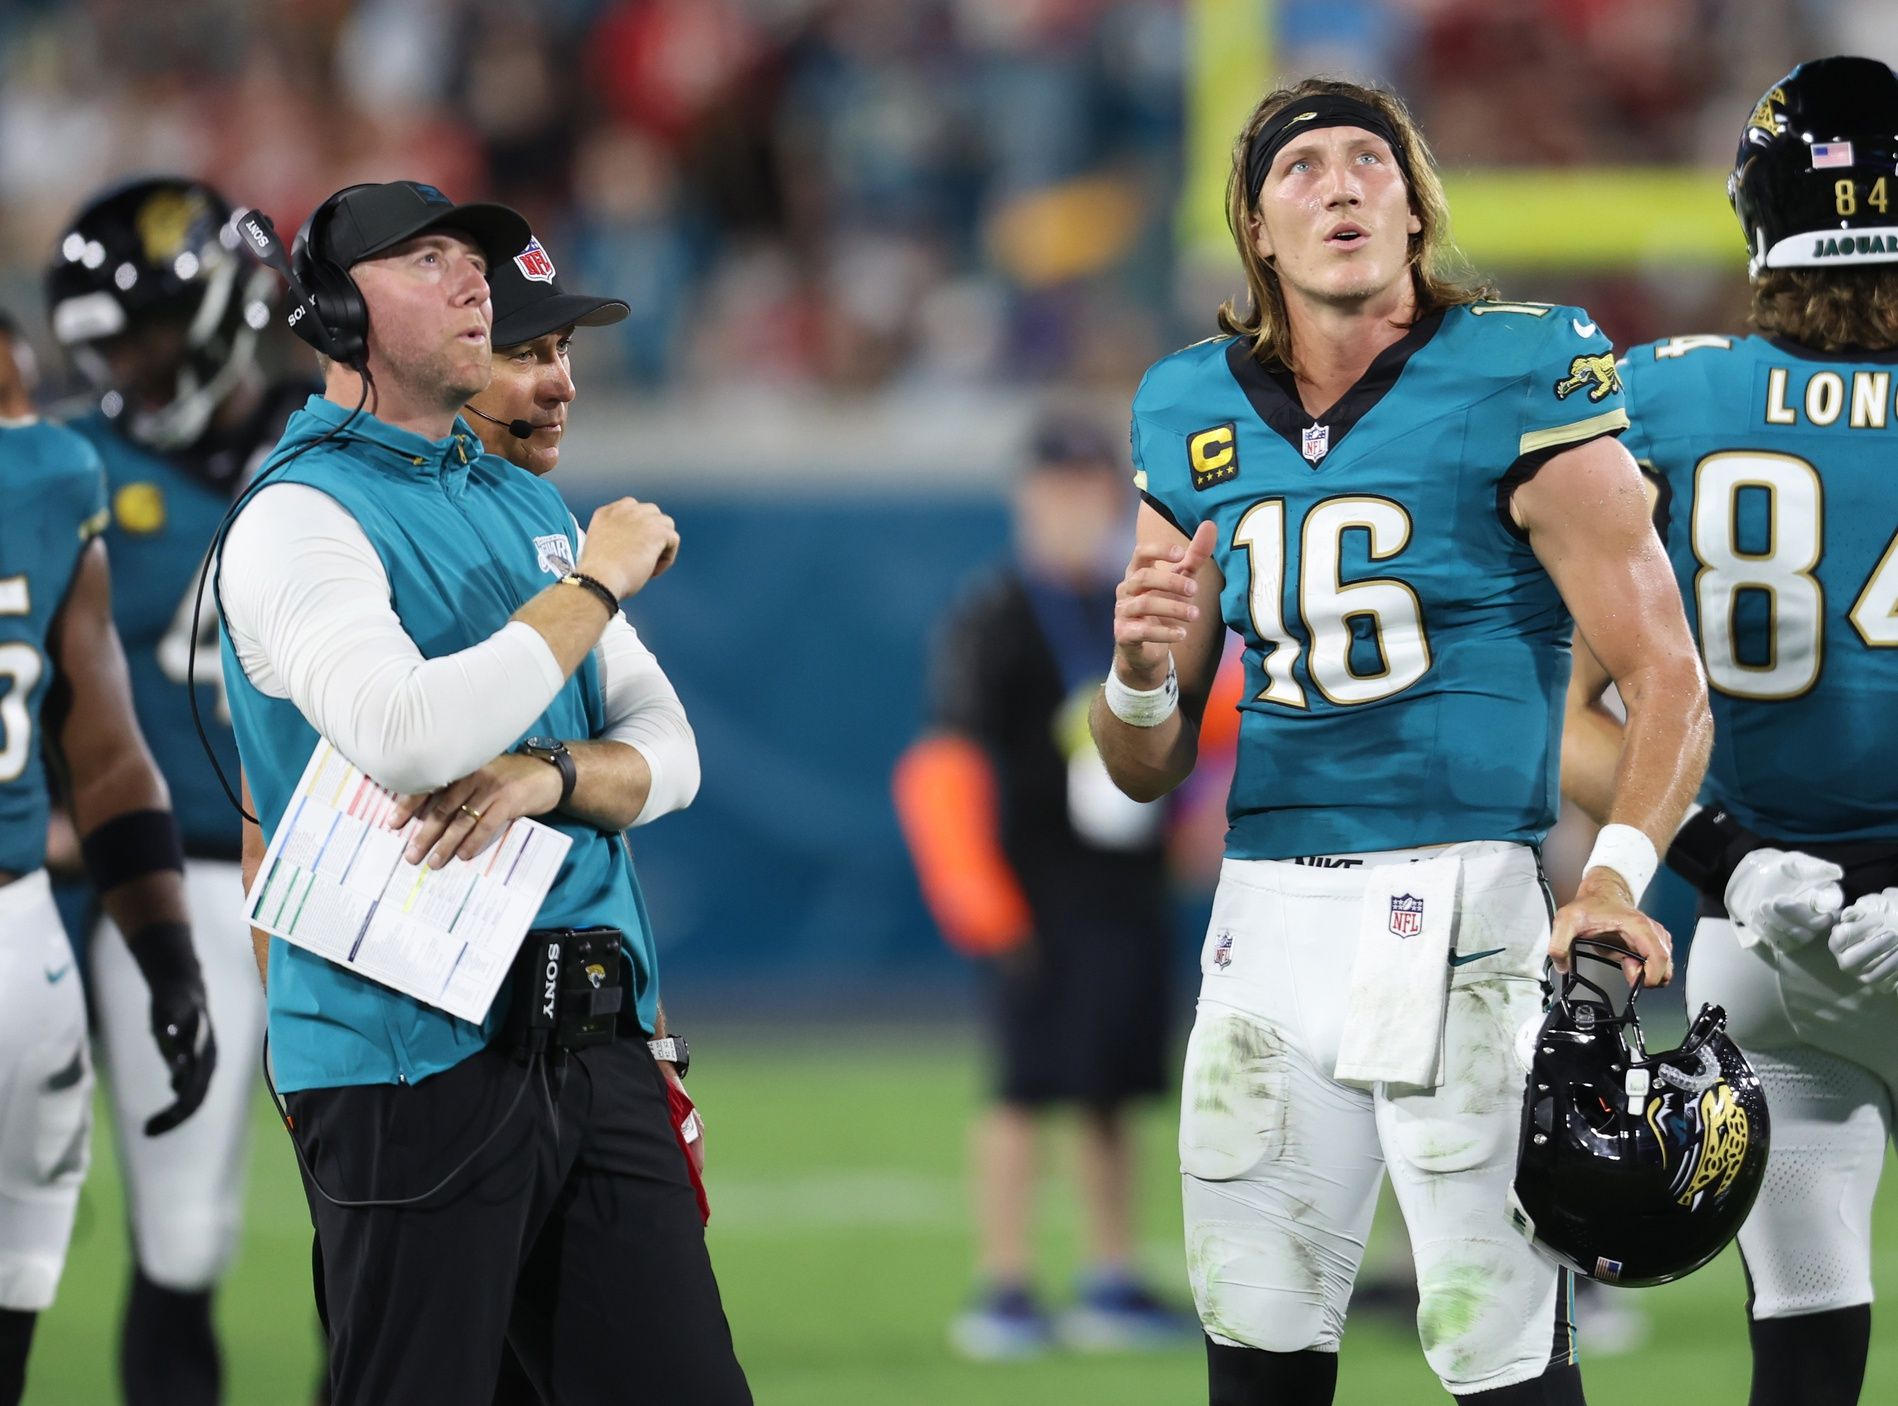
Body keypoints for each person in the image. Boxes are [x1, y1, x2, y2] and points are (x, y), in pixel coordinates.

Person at [1092, 77, 1711, 1405]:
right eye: (1300, 167)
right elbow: (1137, 763)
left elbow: (1666, 676)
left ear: (1413, 205)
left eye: (1368, 158)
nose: (1340, 184)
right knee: (1254, 1347)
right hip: (1262, 921)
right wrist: (1140, 676)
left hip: (1458, 910)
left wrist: (1608, 877)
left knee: (1495, 1349)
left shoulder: (1516, 368)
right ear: (1255, 228)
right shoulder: (1182, 407)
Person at [217, 181, 747, 1403]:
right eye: (429, 258)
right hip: (408, 1055)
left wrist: (545, 774)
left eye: (477, 260)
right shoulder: (297, 517)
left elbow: (667, 746)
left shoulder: (514, 497)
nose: (472, 281)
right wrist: (599, 585)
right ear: (339, 314)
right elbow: (408, 735)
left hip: (591, 1037)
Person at [1563, 56, 1898, 1406]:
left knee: (1806, 1348)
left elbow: (1560, 715)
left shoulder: (1663, 398)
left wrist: (1727, 856)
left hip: (1766, 930)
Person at [41, 174, 302, 1406]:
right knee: (180, 1231)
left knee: (395, 1216)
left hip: (339, 878)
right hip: (166, 877)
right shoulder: (61, 465)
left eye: (146, 335)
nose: (132, 367)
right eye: (114, 344)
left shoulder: (338, 443)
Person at [893, 414, 1198, 1359]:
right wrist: (980, 898)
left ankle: (1112, 1275)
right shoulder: (996, 613)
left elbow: (1203, 728)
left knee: (1115, 1084)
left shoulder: (1131, 607)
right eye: (1056, 491)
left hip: (1122, 880)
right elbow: (947, 764)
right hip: (1034, 884)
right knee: (1025, 1085)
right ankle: (1008, 1283)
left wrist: (1193, 827)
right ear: (1029, 498)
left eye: (1088, 491)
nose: (1073, 509)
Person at [0, 330, 216, 1406]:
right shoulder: (51, 477)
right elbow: (112, 755)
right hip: (22, 944)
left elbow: (109, 755)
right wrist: (169, 952)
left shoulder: (53, 478)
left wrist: (169, 956)